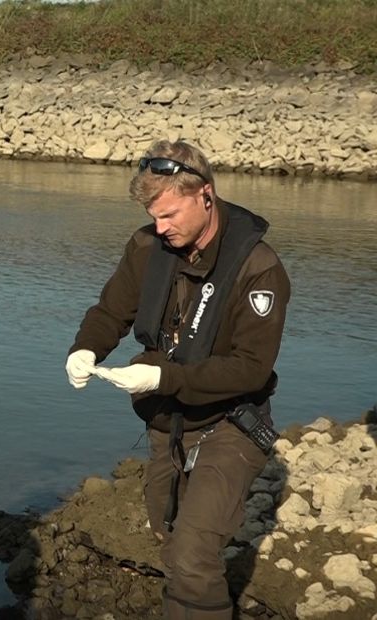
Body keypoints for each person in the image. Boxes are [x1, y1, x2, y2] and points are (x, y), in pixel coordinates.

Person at [64, 140, 289, 619]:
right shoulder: (149, 246)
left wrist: (162, 376)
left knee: (192, 552)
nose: (160, 227)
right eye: (153, 216)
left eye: (168, 215)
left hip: (232, 423)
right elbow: (110, 311)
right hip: (168, 423)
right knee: (169, 540)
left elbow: (251, 367)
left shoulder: (259, 267)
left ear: (204, 194)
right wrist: (84, 349)